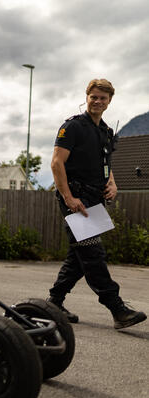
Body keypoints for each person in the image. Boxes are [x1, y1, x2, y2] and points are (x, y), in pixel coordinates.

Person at [47, 78, 146, 329]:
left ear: (109, 101)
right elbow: (57, 163)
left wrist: (112, 183)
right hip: (76, 199)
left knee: (79, 257)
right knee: (93, 253)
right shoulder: (72, 127)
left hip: (95, 199)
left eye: (103, 98)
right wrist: (69, 198)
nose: (97, 101)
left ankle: (53, 303)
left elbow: (106, 165)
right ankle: (117, 308)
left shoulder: (105, 132)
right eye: (94, 96)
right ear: (87, 97)